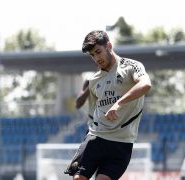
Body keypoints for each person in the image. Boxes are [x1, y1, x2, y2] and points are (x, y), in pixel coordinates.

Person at [64, 30, 152, 180]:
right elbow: (83, 107)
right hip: (96, 138)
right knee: (79, 178)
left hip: (122, 142)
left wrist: (118, 104)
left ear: (109, 46)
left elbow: (145, 84)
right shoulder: (93, 80)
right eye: (92, 55)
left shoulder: (131, 66)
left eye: (98, 52)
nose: (96, 58)